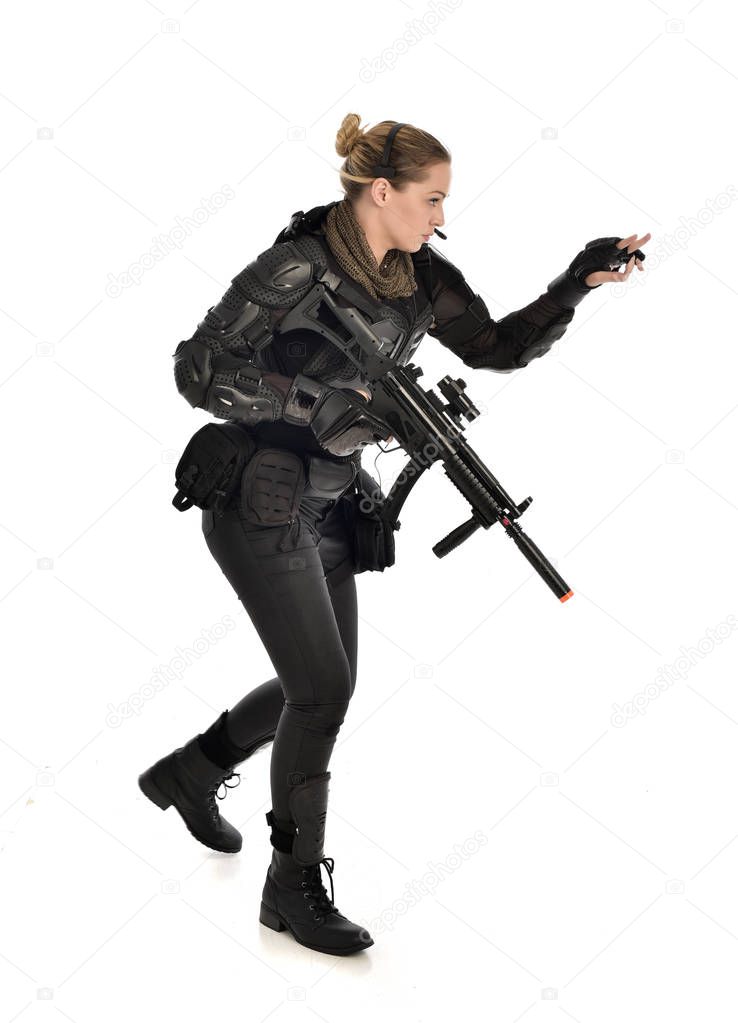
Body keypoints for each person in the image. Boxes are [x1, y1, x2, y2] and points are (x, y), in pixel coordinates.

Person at [138, 113, 650, 956]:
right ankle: (289, 886)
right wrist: (314, 404)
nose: (440, 217)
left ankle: (191, 771)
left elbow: (493, 347)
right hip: (257, 500)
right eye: (431, 199)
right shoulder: (294, 265)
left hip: (335, 502)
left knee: (324, 686)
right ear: (381, 191)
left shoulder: (420, 278)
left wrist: (574, 283)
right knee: (322, 693)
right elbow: (197, 369)